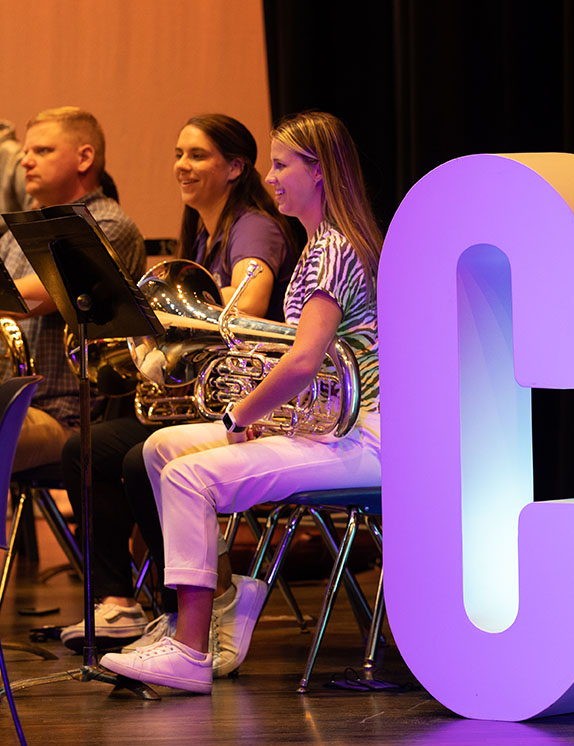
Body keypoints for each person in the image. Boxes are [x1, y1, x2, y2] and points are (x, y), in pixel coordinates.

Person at [102, 111, 383, 693]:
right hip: (331, 426)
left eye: (282, 166)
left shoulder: (333, 249)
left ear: (319, 171)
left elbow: (304, 361)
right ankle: (224, 602)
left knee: (187, 478)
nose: (271, 176)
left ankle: (190, 649)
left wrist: (241, 415)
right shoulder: (316, 247)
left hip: (364, 435)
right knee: (159, 449)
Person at [58, 114, 300, 660]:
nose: (181, 167)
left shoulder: (253, 227)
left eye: (197, 156)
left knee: (139, 457)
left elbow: (248, 306)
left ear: (235, 167)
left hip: (251, 406)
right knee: (85, 449)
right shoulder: (202, 232)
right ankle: (120, 601)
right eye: (178, 154)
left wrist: (172, 311)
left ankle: (195, 605)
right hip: (206, 399)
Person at [0, 107, 145, 473]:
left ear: (84, 158)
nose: (26, 163)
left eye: (42, 152)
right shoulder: (16, 234)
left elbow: (27, 299)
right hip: (14, 402)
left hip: (67, 415)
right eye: (26, 153)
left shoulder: (106, 224)